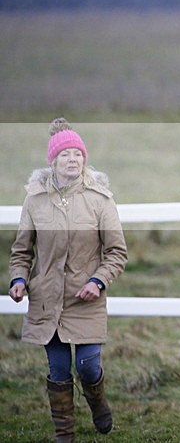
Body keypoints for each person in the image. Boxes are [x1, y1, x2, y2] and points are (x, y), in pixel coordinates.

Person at [8, 118, 127, 442]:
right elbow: (21, 251)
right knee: (59, 372)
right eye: (65, 154)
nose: (73, 159)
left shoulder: (100, 199)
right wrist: (18, 280)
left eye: (77, 154)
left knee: (88, 367)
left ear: (84, 159)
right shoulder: (35, 201)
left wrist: (97, 282)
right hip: (48, 301)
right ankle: (65, 434)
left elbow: (117, 252)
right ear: (53, 160)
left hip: (85, 299)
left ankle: (98, 404)